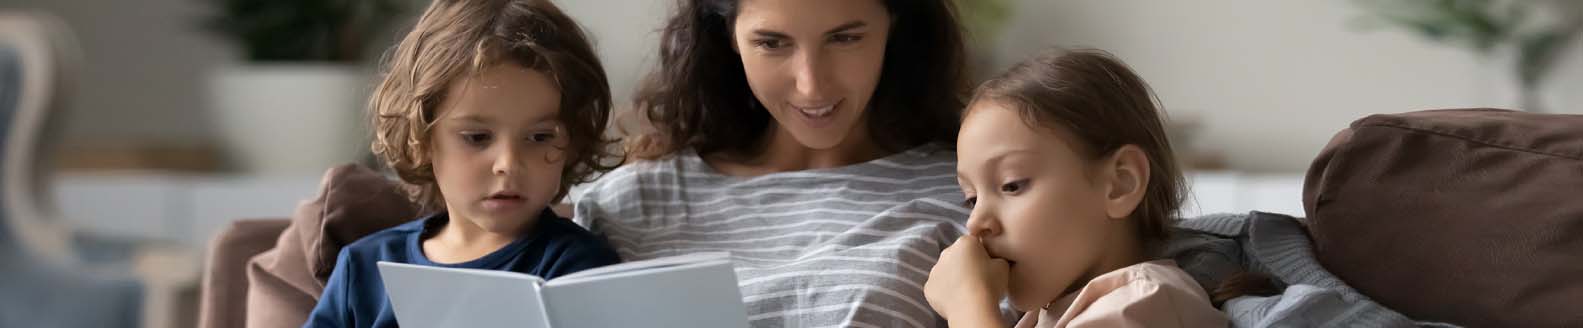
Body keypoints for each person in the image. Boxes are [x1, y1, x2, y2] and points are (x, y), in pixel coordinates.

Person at [572, 0, 974, 326]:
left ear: (894, 23)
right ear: (729, 36)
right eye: (772, 43)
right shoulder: (627, 203)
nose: (811, 84)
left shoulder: (973, 195)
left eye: (845, 38)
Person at [303, 0, 621, 326]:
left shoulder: (580, 270)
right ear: (422, 138)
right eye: (477, 137)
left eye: (539, 137)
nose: (508, 164)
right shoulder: (364, 266)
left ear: (573, 142)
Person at [924, 48, 1227, 327]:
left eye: (1012, 185)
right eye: (971, 198)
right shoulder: (1052, 312)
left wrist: (968, 305)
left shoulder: (1147, 301)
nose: (975, 223)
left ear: (1120, 184)